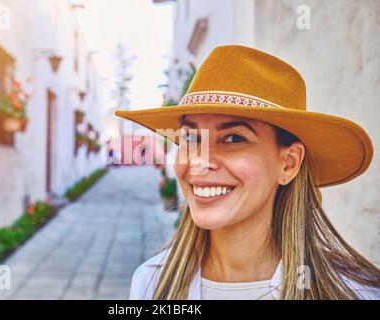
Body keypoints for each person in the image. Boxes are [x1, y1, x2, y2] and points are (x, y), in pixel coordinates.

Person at [115, 45, 380, 300]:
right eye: (192, 138)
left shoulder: (356, 292)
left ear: (288, 163)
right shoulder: (151, 285)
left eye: (232, 139)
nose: (199, 161)